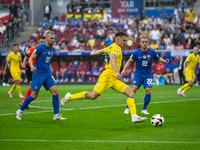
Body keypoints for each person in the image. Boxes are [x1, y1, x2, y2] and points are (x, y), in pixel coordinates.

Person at [61, 32, 147, 124]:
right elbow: (113, 58)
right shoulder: (116, 48)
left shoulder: (111, 47)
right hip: (107, 76)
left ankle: (134, 117)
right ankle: (69, 97)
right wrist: (117, 72)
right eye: (124, 40)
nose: (125, 42)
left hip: (113, 78)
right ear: (118, 39)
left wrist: (93, 53)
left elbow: (102, 51)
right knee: (93, 96)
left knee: (130, 92)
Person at [16, 31, 66, 120]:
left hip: (47, 73)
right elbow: (31, 58)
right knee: (34, 95)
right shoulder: (40, 47)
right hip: (38, 74)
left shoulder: (53, 49)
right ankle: (20, 111)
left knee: (55, 92)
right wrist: (31, 67)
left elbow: (46, 60)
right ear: (46, 38)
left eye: (54, 38)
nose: (53, 40)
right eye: (51, 38)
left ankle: (56, 115)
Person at [122, 35, 169, 115]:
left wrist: (164, 61)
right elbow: (130, 61)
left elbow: (158, 58)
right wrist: (124, 70)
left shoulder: (152, 52)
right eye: (143, 42)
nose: (144, 43)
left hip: (147, 75)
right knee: (133, 90)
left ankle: (144, 109)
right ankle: (128, 107)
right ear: (140, 43)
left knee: (148, 90)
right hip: (138, 75)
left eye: (146, 42)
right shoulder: (136, 52)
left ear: (148, 43)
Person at [20, 37, 46, 108]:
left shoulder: (45, 50)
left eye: (44, 42)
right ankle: (23, 103)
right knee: (33, 87)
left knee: (34, 88)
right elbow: (26, 57)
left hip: (38, 69)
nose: (43, 43)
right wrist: (23, 68)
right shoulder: (33, 48)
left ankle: (24, 103)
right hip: (30, 68)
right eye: (41, 42)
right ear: (38, 42)